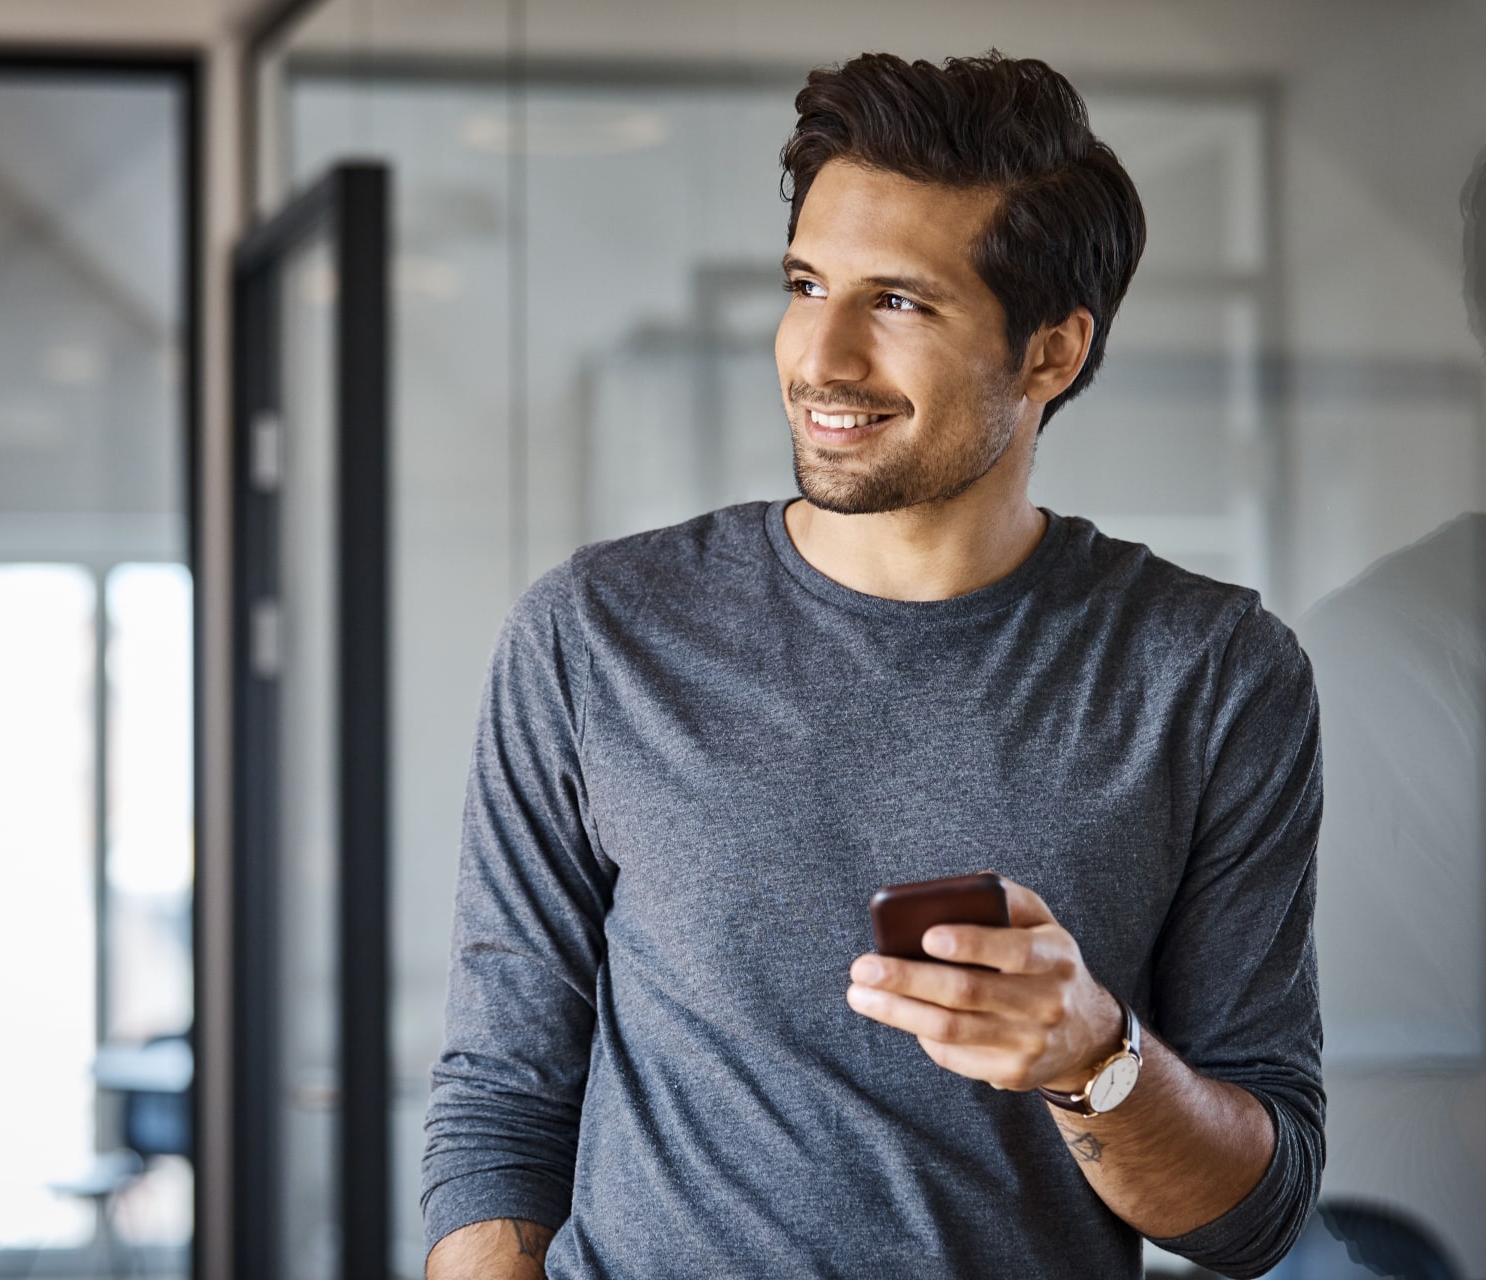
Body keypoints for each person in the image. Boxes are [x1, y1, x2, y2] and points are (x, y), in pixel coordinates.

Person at [420, 51, 1323, 1280]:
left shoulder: (1212, 672)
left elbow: (1249, 1217)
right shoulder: (595, 630)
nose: (821, 358)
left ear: (1051, 355)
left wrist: (1093, 1055)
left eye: (899, 302)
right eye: (807, 283)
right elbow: (501, 1095)